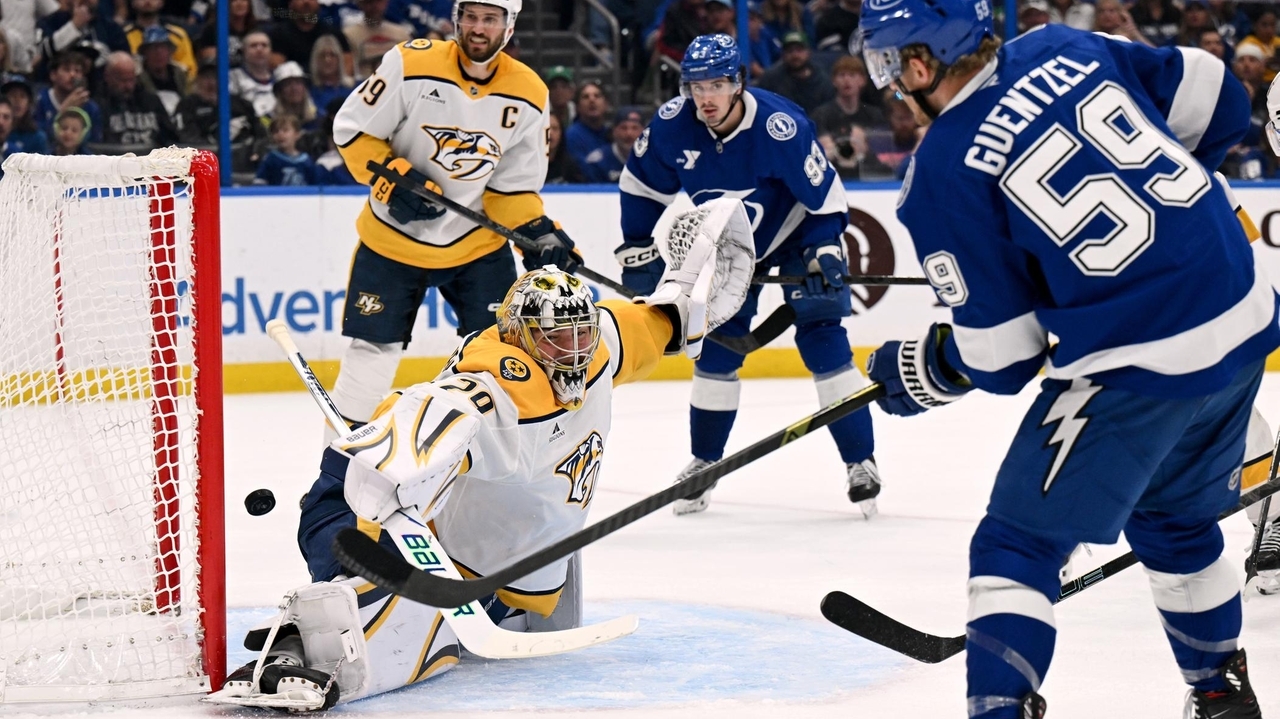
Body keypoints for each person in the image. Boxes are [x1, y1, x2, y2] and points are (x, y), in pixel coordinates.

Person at [856, 0, 1280, 715]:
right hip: (1244, 313)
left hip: (1141, 357)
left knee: (1018, 543)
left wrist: (928, 365)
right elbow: (1220, 97)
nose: (892, 83)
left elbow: (1004, 357)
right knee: (1173, 519)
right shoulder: (1062, 45)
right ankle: (1222, 694)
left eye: (891, 65)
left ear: (921, 63)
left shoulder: (941, 172)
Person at [205, 204, 752, 710]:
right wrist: (380, 512)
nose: (574, 351)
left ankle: (345, 615)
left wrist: (691, 283)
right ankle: (295, 650)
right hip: (393, 506)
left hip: (496, 568)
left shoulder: (600, 343)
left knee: (440, 599)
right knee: (373, 582)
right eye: (556, 340)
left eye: (580, 334)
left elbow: (664, 321)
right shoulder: (493, 388)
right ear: (520, 339)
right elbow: (413, 426)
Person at [617, 33, 881, 517]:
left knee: (822, 335)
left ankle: (860, 462)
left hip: (799, 233)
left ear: (738, 82)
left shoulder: (781, 126)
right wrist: (635, 248)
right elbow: (640, 187)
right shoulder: (674, 126)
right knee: (715, 351)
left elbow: (824, 200)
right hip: (728, 241)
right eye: (696, 86)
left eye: (717, 84)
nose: (705, 98)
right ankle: (704, 464)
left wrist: (824, 251)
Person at [329, 0, 581, 441]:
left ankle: (493, 466)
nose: (478, 29)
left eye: (490, 19)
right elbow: (353, 130)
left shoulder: (529, 92)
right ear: (456, 17)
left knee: (504, 356)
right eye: (470, 17)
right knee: (372, 353)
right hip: (392, 239)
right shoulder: (411, 62)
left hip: (476, 246)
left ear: (509, 25)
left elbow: (512, 190)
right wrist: (394, 179)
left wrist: (537, 232)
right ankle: (337, 476)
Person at [581, 106, 643, 183]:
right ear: (614, 131)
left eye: (635, 128)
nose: (629, 134)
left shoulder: (655, 162)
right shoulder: (597, 162)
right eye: (623, 128)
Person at [256, 113, 316, 185]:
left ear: (297, 134)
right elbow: (260, 182)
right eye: (276, 131)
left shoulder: (306, 161)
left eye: (285, 130)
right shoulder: (271, 159)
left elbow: (315, 185)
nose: (280, 134)